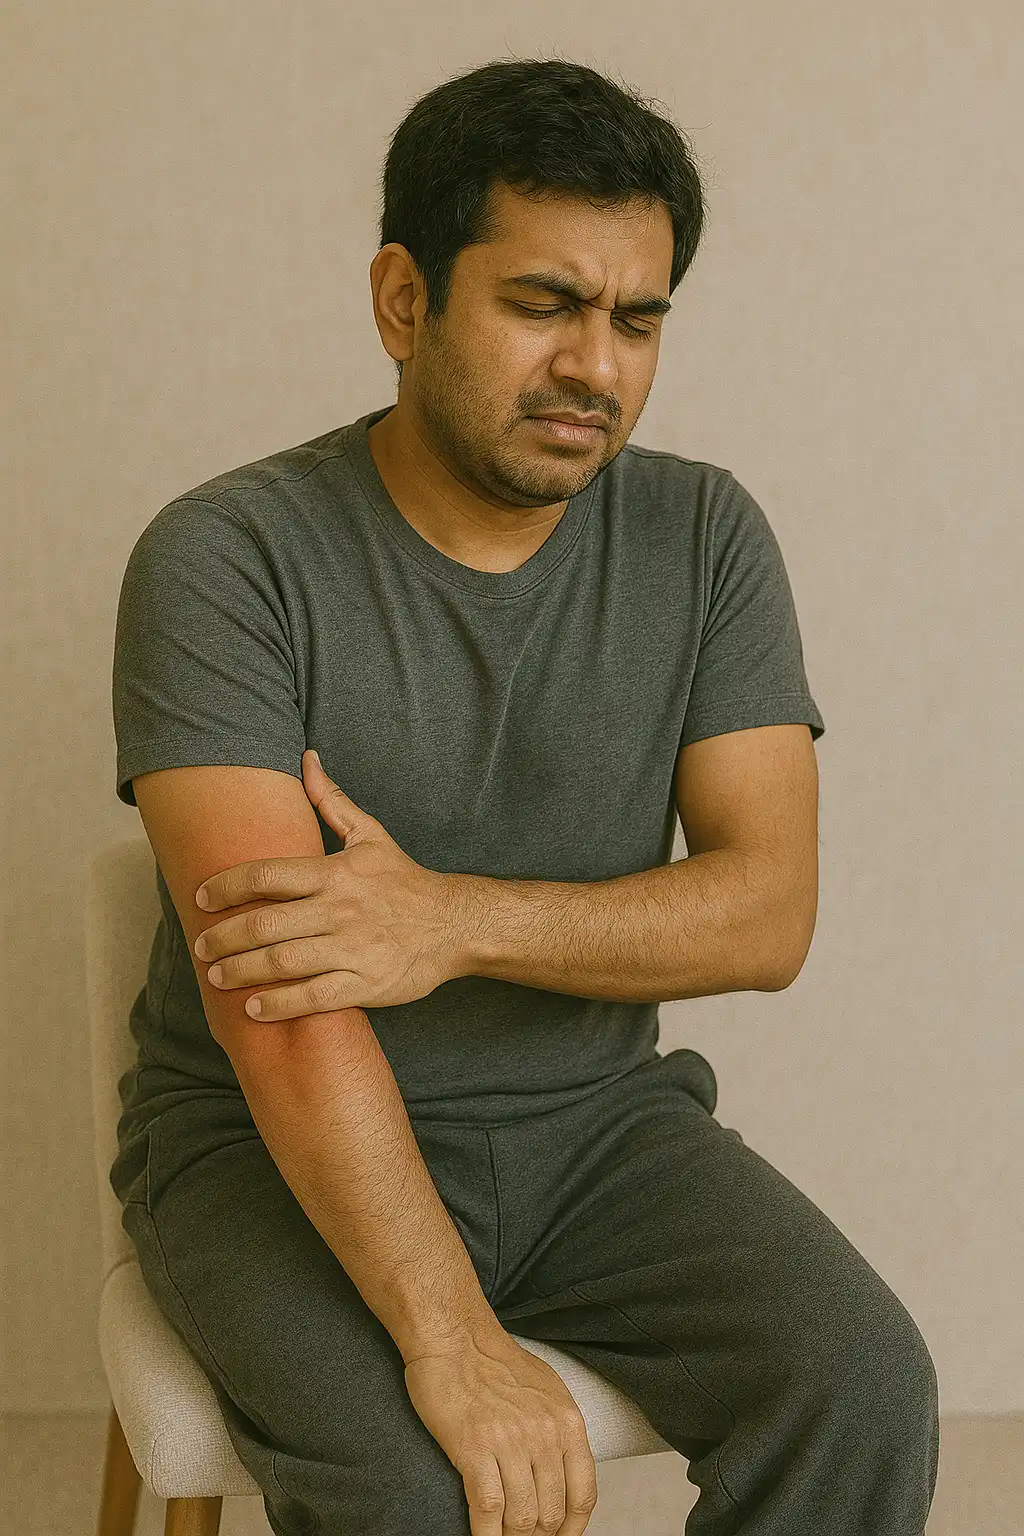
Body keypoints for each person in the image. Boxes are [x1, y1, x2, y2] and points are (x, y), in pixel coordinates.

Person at [109, 56, 939, 1536]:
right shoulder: (227, 557)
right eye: (542, 303)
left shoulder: (703, 535)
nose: (595, 365)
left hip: (599, 1132)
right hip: (267, 1149)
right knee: (417, 1488)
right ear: (403, 299)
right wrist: (452, 1339)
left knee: (862, 1384)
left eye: (637, 317)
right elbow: (276, 1000)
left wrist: (447, 922)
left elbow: (766, 916)